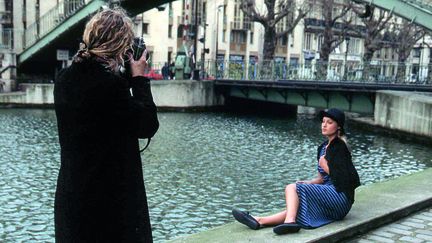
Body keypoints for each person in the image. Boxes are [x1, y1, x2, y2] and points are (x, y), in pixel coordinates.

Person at [54, 8, 159, 242]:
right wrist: (139, 79)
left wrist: (122, 77)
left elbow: (99, 116)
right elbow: (147, 125)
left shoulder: (64, 80)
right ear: (119, 45)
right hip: (108, 205)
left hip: (72, 199)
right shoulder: (110, 87)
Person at [232, 108, 360, 235]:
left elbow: (347, 180)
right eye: (323, 121)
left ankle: (290, 223)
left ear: (338, 127)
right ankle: (260, 221)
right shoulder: (322, 148)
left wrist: (325, 165)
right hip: (328, 194)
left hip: (340, 198)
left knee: (292, 188)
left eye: (329, 122)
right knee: (297, 203)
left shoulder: (340, 147)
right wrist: (309, 183)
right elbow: (322, 179)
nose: (324, 125)